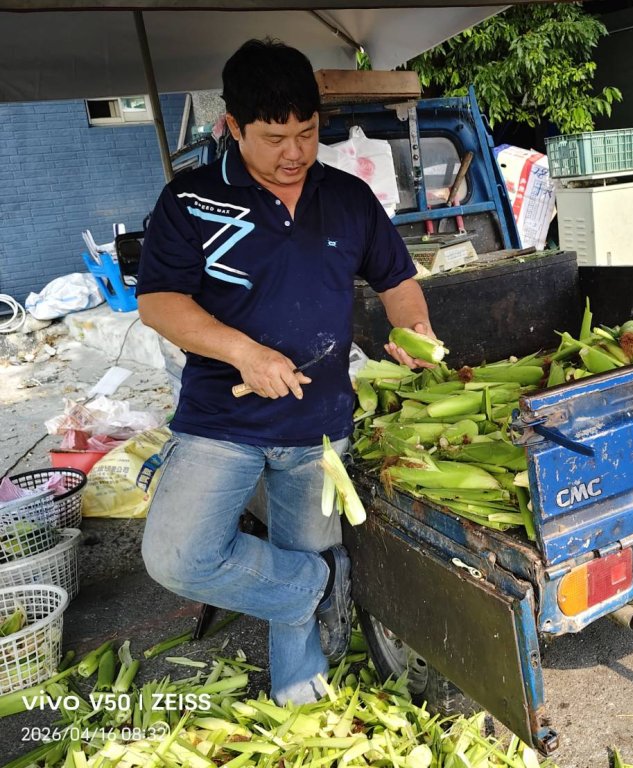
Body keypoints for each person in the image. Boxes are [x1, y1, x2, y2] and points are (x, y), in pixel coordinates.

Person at [135, 38, 435, 705]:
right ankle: (313, 585)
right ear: (234, 127)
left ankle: (300, 696)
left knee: (308, 556)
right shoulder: (191, 200)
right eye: (273, 138)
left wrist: (415, 332)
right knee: (178, 556)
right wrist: (244, 351)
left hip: (320, 429)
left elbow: (398, 281)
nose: (295, 152)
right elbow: (158, 303)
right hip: (222, 419)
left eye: (306, 133)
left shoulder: (348, 198)